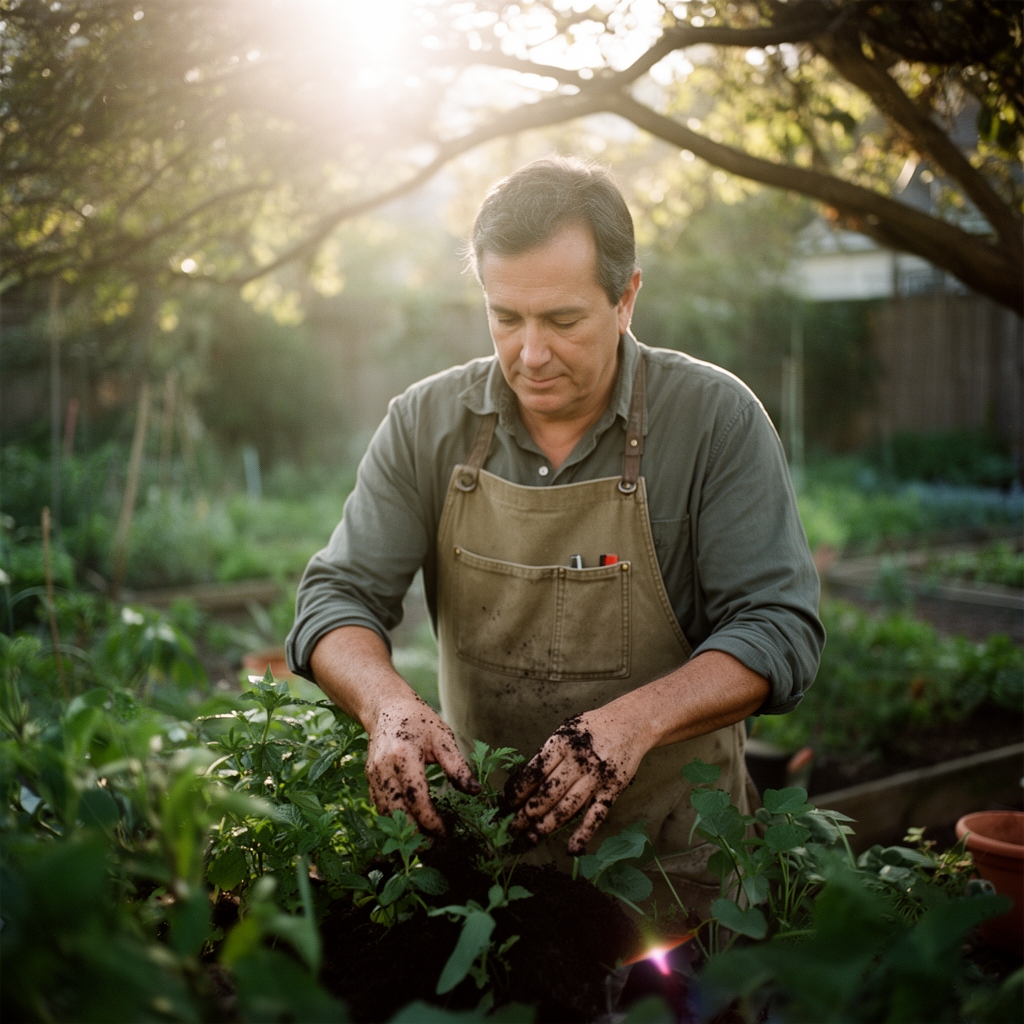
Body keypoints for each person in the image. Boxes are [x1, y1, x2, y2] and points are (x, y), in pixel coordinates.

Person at [286, 157, 824, 917]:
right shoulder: (425, 423)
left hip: (672, 874)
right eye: (506, 318)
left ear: (626, 297)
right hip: (485, 875)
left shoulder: (715, 421)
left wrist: (633, 722)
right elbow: (335, 598)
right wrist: (385, 706)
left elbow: (779, 627)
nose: (531, 355)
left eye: (563, 322)